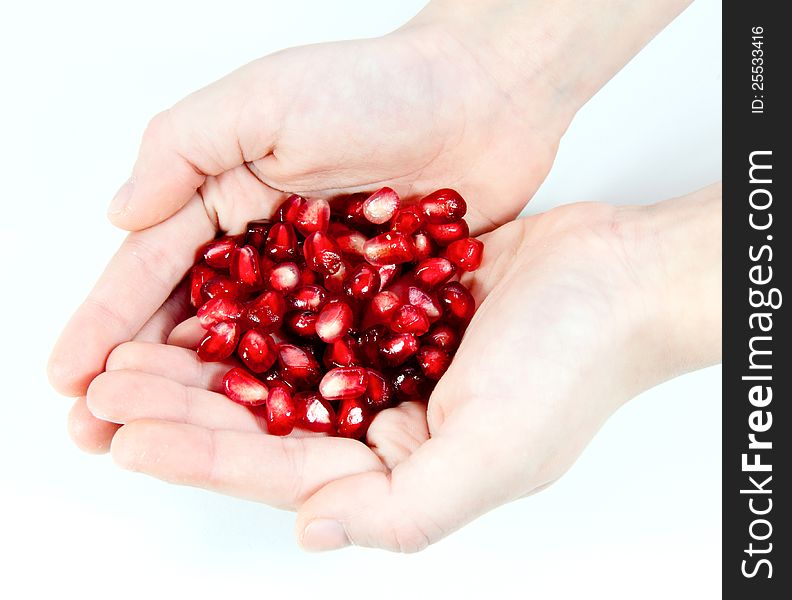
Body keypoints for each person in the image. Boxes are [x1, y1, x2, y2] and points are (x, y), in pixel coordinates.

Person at [48, 0, 720, 552]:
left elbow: (346, 310)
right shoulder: (349, 285)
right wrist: (490, 66)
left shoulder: (354, 286)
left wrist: (640, 288)